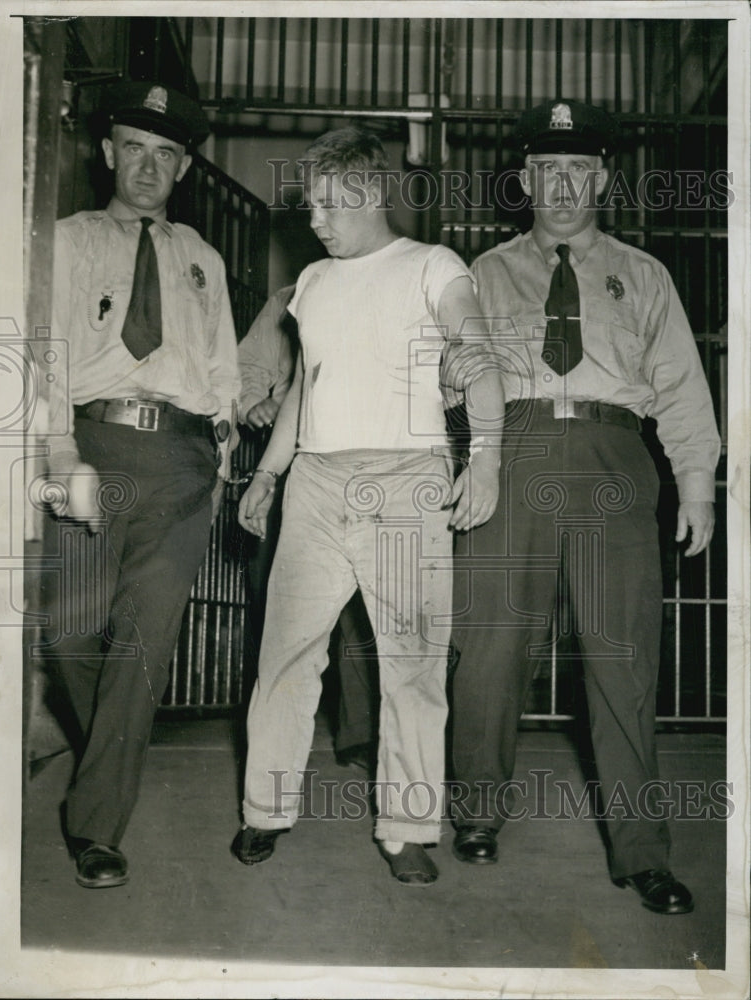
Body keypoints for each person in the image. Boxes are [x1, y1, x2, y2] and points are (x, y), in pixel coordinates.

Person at [449, 100, 720, 915]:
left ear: (600, 179)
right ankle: (476, 815)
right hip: (514, 448)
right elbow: (449, 375)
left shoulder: (643, 274)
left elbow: (680, 385)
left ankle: (642, 853)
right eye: (546, 171)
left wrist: (698, 482)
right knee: (491, 646)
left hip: (614, 456)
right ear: (524, 180)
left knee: (623, 660)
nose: (562, 185)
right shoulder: (483, 273)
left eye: (578, 170)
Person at [231, 126, 503, 885]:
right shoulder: (313, 283)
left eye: (328, 204)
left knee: (410, 666)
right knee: (285, 656)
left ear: (372, 193)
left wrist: (486, 457)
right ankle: (264, 810)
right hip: (316, 483)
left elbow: (478, 354)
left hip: (405, 483)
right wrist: (268, 475)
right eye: (310, 204)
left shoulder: (432, 265)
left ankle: (408, 826)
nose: (314, 219)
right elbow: (305, 389)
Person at [41, 81, 241, 889]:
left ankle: (96, 827)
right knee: (68, 635)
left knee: (141, 642)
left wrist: (222, 461)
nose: (149, 167)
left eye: (167, 155)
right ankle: (114, 750)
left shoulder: (203, 258)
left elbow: (224, 370)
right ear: (107, 152)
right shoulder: (65, 240)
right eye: (135, 148)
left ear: (185, 167)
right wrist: (60, 458)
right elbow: (42, 353)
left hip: (183, 467)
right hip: (92, 445)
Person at [237, 286, 379, 766]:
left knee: (364, 604)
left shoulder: (389, 283)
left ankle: (359, 731)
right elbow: (246, 368)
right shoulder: (284, 299)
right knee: (282, 604)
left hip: (362, 461)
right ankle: (273, 744)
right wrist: (255, 402)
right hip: (288, 458)